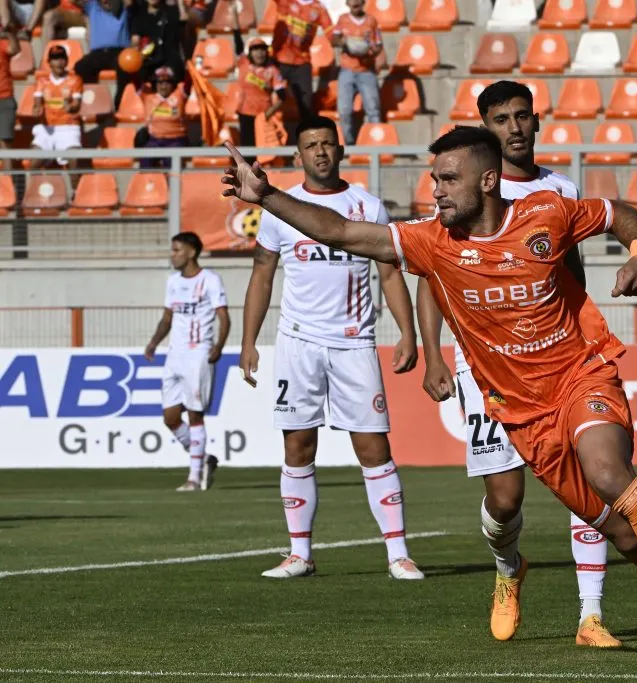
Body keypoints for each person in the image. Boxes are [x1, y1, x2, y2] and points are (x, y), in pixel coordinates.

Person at [220, 126, 637, 649]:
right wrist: (266, 196)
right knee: (626, 537)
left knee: (609, 472)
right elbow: (340, 232)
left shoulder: (547, 213)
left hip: (580, 375)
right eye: (435, 179)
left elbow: (618, 213)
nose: (437, 190)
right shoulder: (432, 240)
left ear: (489, 181)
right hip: (522, 414)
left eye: (450, 179)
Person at [413, 81, 616, 648]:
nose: (515, 128)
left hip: (558, 362)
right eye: (501, 119)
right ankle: (508, 568)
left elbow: (570, 270)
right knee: (504, 500)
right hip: (486, 368)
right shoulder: (459, 192)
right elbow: (432, 274)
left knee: (589, 481)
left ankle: (591, 615)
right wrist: (432, 354)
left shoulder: (560, 189)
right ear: (485, 129)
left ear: (536, 121)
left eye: (522, 116)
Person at [240, 116, 425, 581]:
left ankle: (398, 555)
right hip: (298, 343)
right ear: (298, 155)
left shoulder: (366, 206)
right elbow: (262, 275)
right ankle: (299, 554)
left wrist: (408, 332)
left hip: (354, 343)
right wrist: (248, 341)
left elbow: (389, 273)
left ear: (340, 150)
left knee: (373, 446)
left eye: (327, 143)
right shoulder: (279, 208)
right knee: (298, 445)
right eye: (311, 145)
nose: (320, 151)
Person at [144, 232, 230, 492]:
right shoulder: (173, 282)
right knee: (170, 417)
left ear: (192, 252)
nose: (173, 255)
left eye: (177, 250)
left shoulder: (210, 280)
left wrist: (218, 346)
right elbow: (167, 318)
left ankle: (194, 478)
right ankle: (204, 459)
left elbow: (224, 317)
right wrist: (153, 342)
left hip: (198, 353)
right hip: (175, 355)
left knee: (194, 413)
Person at [230, 7, 287, 152]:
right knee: (247, 148)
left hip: (263, 115)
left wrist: (268, 114)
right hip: (245, 112)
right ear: (250, 53)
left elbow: (282, 96)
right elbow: (237, 40)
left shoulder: (273, 70)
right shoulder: (244, 63)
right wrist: (235, 17)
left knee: (262, 149)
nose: (259, 53)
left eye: (262, 49)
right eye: (256, 50)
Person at [330, 0, 382, 146]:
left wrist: (369, 50)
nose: (355, 3)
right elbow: (334, 39)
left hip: (366, 70)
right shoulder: (342, 19)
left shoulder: (371, 21)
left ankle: (376, 145)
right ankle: (349, 145)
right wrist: (345, 42)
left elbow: (378, 45)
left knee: (373, 109)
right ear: (348, 3)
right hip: (347, 70)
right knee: (344, 110)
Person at [270, 0, 330, 122]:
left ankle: (306, 132)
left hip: (302, 62)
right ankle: (261, 131)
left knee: (306, 105)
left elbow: (330, 30)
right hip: (278, 60)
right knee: (265, 97)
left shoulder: (319, 8)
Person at [71, 0, 133, 109]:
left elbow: (129, 2)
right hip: (98, 53)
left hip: (119, 51)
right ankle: (94, 100)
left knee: (125, 67)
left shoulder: (122, 7)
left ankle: (120, 103)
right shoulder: (92, 6)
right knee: (81, 67)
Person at [30, 44, 83, 170]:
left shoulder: (75, 80)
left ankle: (75, 183)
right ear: (49, 62)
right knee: (34, 160)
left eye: (61, 58)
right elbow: (37, 105)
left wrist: (70, 108)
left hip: (68, 128)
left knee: (74, 159)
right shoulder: (42, 81)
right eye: (55, 59)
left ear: (67, 61)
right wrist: (37, 110)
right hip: (47, 128)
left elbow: (77, 105)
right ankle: (29, 182)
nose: (58, 62)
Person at [135, 65, 190, 168]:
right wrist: (133, 69)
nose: (164, 86)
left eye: (167, 82)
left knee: (171, 159)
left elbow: (188, 84)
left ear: (172, 84)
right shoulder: (148, 97)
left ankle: (172, 179)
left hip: (176, 140)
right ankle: (148, 178)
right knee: (146, 157)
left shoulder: (179, 96)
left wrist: (189, 70)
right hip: (155, 140)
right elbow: (136, 82)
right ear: (156, 84)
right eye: (160, 82)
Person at [130, 0, 188, 84]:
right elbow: (135, 41)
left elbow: (184, 18)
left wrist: (180, 3)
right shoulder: (140, 17)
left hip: (170, 61)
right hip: (149, 61)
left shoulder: (172, 12)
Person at [0, 31, 20, 150]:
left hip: (4, 98)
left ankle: (7, 164)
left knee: (5, 142)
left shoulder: (2, 44)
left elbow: (15, 49)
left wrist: (9, 33)